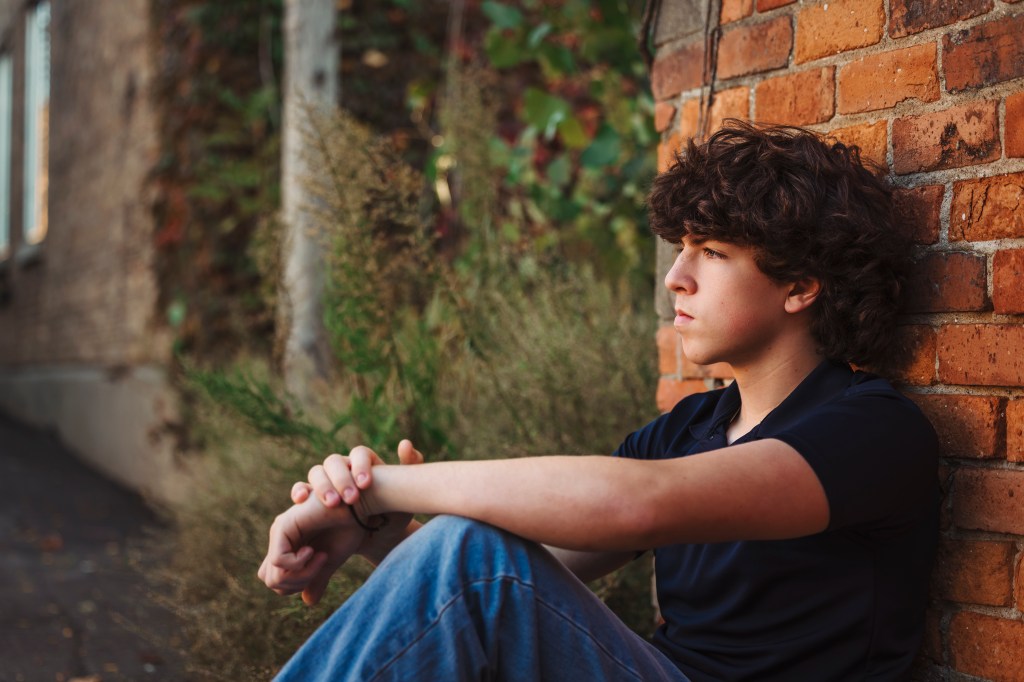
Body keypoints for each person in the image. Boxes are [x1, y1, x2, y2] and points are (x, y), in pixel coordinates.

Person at [258, 121, 939, 681]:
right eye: (681, 250)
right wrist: (382, 538)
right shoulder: (688, 430)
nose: (676, 276)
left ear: (800, 286)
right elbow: (520, 582)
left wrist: (386, 488)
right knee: (470, 552)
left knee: (470, 556)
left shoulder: (873, 430)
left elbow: (632, 508)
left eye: (712, 252)